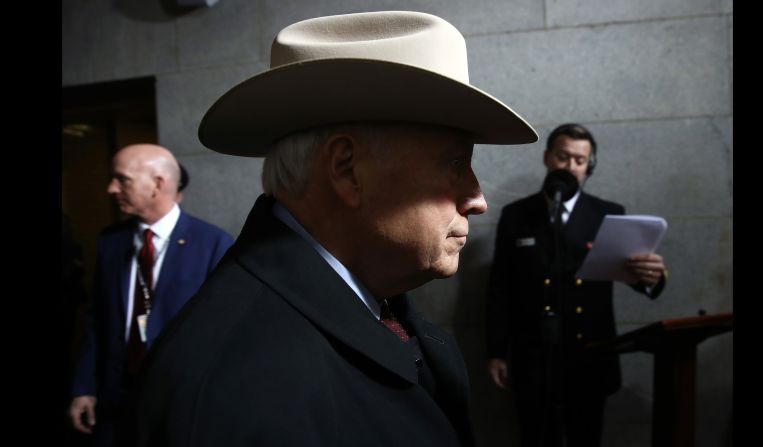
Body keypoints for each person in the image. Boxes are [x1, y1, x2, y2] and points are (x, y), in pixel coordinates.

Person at [121, 11, 538, 447]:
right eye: (455, 162)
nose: (478, 198)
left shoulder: (379, 307)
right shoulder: (234, 391)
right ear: (347, 170)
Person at [485, 123, 668, 447]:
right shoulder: (517, 215)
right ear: (547, 157)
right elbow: (501, 287)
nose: (570, 167)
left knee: (587, 437)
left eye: (579, 161)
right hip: (533, 354)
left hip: (589, 355)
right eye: (562, 156)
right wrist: (497, 351)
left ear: (589, 167)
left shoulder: (607, 214)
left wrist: (653, 276)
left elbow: (633, 274)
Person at [68, 144, 234, 446]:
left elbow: (224, 332)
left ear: (158, 183)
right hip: (114, 405)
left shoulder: (212, 243)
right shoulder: (111, 241)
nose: (110, 188)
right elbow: (98, 320)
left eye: (122, 179)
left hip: (178, 404)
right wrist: (84, 386)